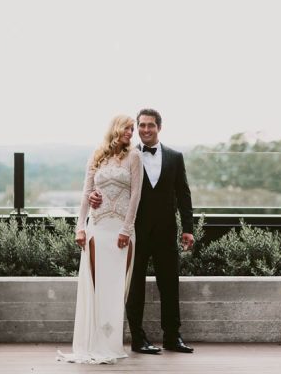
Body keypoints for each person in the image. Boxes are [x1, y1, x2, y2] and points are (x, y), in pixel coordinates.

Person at [89, 108, 195, 354]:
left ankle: (172, 337)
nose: (146, 130)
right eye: (142, 126)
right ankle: (138, 339)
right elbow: (107, 182)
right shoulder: (127, 156)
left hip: (167, 231)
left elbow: (184, 194)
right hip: (134, 232)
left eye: (151, 125)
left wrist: (187, 229)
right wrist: (96, 196)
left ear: (159, 127)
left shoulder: (175, 157)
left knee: (170, 284)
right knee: (134, 286)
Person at [57, 115, 143, 364]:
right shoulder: (97, 155)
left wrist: (127, 229)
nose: (131, 132)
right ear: (116, 128)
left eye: (132, 129)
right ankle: (92, 343)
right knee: (95, 286)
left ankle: (110, 343)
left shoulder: (134, 156)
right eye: (128, 128)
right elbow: (86, 192)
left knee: (115, 289)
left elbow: (136, 194)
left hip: (120, 230)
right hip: (97, 227)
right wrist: (79, 227)